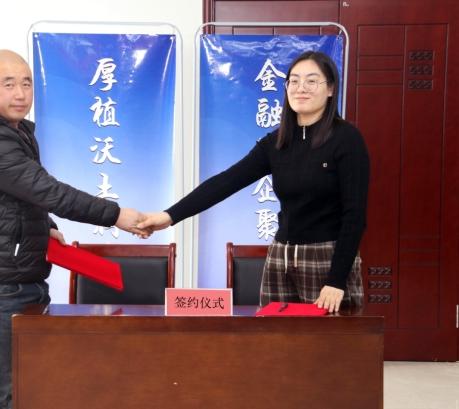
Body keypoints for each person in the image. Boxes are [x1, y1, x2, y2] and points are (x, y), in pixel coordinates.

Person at [0, 49, 151, 409]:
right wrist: (115, 215)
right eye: (8, 84)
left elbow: (22, 194)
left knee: (24, 388)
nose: (20, 94)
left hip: (19, 279)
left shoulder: (15, 132)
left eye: (26, 84)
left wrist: (47, 224)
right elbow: (48, 191)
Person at [139, 51, 370, 314]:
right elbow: (226, 182)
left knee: (330, 338)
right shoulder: (276, 142)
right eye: (294, 81)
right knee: (273, 337)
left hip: (327, 259)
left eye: (311, 81)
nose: (301, 88)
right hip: (280, 258)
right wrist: (169, 216)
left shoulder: (346, 138)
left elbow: (355, 216)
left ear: (330, 89)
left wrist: (337, 279)